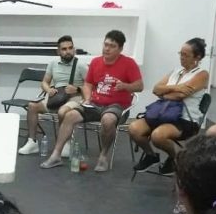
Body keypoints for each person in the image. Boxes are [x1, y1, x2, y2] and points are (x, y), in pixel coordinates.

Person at [40, 30, 143, 171]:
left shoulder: (129, 63)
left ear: (120, 49)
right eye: (105, 44)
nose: (107, 48)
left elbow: (139, 86)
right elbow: (88, 84)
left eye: (112, 46)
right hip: (95, 103)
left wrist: (126, 86)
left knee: (107, 120)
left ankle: (103, 156)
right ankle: (56, 155)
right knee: (69, 115)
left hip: (117, 105)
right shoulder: (95, 62)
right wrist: (88, 98)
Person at [130, 38, 210, 176]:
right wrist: (177, 87)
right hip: (164, 113)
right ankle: (151, 156)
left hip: (185, 119)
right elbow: (156, 89)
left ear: (197, 57)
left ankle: (178, 158)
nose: (181, 57)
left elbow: (181, 96)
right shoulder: (176, 71)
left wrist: (165, 93)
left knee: (158, 136)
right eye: (180, 54)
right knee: (134, 128)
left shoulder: (202, 74)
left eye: (185, 55)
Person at [18, 35, 89, 155]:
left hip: (74, 97)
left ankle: (65, 144)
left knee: (62, 111)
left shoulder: (81, 65)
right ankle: (32, 142)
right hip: (56, 96)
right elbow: (44, 82)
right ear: (58, 51)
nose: (68, 51)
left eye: (70, 48)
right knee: (32, 106)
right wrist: (48, 89)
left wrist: (77, 89)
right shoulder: (53, 63)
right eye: (64, 49)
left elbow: (90, 87)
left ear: (74, 49)